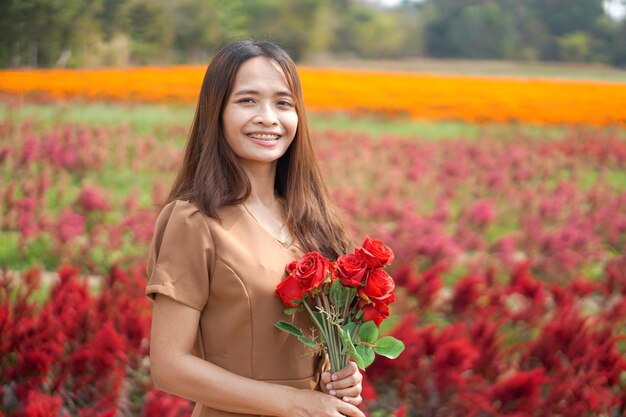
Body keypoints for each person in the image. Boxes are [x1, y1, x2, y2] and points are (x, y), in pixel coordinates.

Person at [146, 40, 365, 417]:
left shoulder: (315, 221)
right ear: (217, 112)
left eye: (283, 103)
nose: (268, 117)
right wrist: (293, 403)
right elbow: (169, 366)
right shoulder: (194, 220)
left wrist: (342, 374)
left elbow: (319, 346)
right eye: (247, 101)